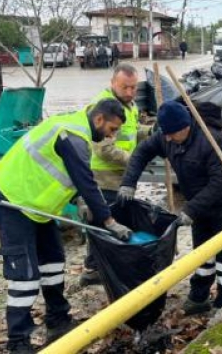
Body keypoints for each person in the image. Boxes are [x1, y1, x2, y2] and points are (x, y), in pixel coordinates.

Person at [0, 99, 133, 354]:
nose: (113, 135)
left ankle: (58, 320)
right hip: (13, 202)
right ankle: (18, 342)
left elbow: (68, 175)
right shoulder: (73, 136)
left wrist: (77, 201)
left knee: (54, 262)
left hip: (38, 209)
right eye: (112, 129)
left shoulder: (77, 130)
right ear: (99, 120)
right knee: (26, 277)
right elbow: (86, 182)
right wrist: (109, 221)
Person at [117, 101, 222, 315]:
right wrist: (129, 182)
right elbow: (142, 152)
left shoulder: (212, 140)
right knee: (202, 251)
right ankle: (199, 296)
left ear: (185, 127)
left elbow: (219, 182)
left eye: (171, 134)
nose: (166, 139)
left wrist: (190, 209)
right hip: (199, 203)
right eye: (164, 134)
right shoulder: (167, 136)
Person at [78, 63, 150, 287]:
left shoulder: (130, 105)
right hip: (103, 176)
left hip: (122, 176)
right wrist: (135, 161)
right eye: (124, 87)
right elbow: (104, 149)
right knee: (103, 222)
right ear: (112, 84)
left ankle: (101, 265)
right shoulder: (100, 107)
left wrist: (150, 132)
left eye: (133, 88)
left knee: (114, 220)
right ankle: (93, 269)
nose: (129, 92)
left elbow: (131, 132)